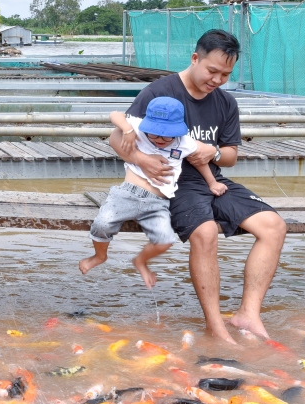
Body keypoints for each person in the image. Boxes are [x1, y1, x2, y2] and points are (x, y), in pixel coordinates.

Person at [115, 30, 286, 343]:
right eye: (212, 71)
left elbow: (231, 155)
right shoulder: (159, 93)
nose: (218, 80)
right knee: (205, 233)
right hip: (170, 182)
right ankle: (216, 327)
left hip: (212, 179)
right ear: (195, 59)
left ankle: (248, 314)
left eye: (226, 74)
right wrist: (145, 160)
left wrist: (215, 152)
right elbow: (116, 138)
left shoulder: (225, 102)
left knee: (273, 226)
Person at [80, 97, 225, 288]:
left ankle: (141, 261)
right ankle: (99, 256)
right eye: (155, 134)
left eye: (167, 136)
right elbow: (115, 115)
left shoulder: (185, 142)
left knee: (165, 240)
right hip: (127, 194)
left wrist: (212, 182)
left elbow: (200, 161)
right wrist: (128, 130)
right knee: (102, 224)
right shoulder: (138, 127)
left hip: (159, 201)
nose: (160, 140)